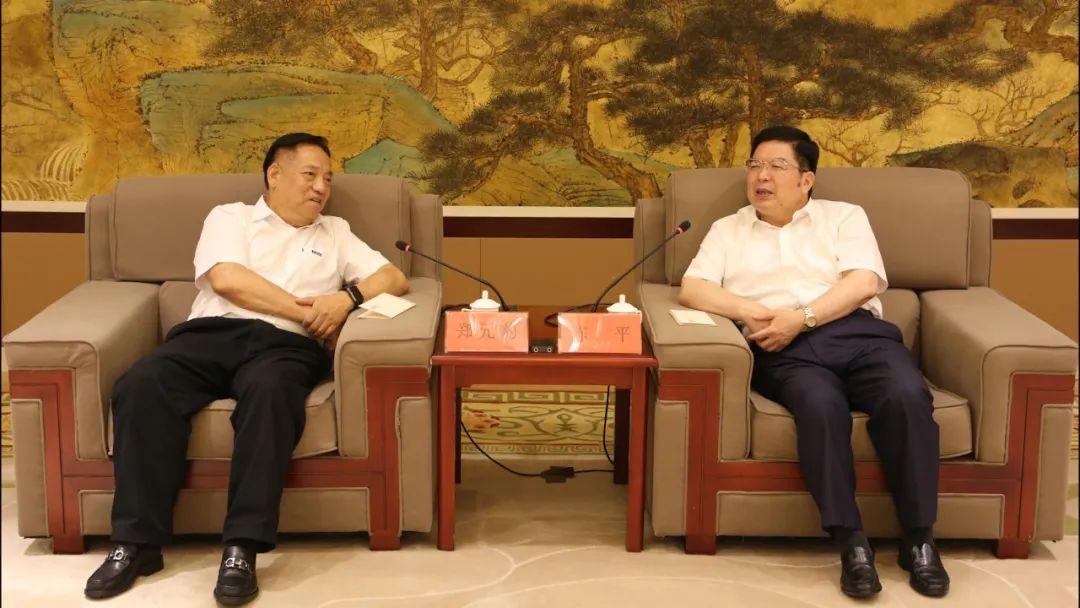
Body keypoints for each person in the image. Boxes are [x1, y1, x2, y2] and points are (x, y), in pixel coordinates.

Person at [83, 132, 409, 605]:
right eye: (310, 175)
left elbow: (393, 277)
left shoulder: (335, 232)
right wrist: (312, 313)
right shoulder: (230, 217)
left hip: (285, 348)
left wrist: (346, 299)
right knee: (141, 384)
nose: (321, 187)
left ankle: (242, 547)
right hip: (211, 334)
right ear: (275, 174)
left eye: (328, 179)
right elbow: (227, 279)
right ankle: (135, 543)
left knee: (272, 394)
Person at [679, 126, 949, 599]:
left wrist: (801, 318)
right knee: (820, 407)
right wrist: (750, 311)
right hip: (782, 350)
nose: (761, 176)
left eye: (776, 166)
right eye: (755, 165)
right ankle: (851, 542)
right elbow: (692, 288)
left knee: (907, 396)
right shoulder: (729, 229)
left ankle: (919, 538)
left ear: (806, 180)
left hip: (857, 335)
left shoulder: (843, 216)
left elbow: (863, 282)